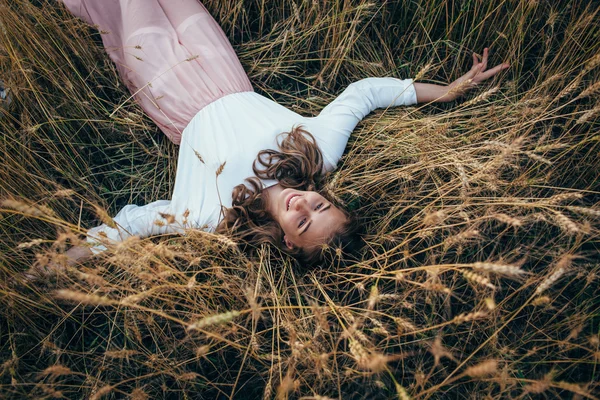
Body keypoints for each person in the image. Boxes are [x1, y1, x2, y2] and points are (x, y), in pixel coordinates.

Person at [58, 0, 509, 266]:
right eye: (321, 205)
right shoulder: (317, 154)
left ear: (289, 240)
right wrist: (446, 92)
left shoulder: (215, 216)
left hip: (169, 93)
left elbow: (137, 223)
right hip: (220, 65)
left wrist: (72, 256)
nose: (305, 205)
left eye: (303, 222)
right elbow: (362, 95)